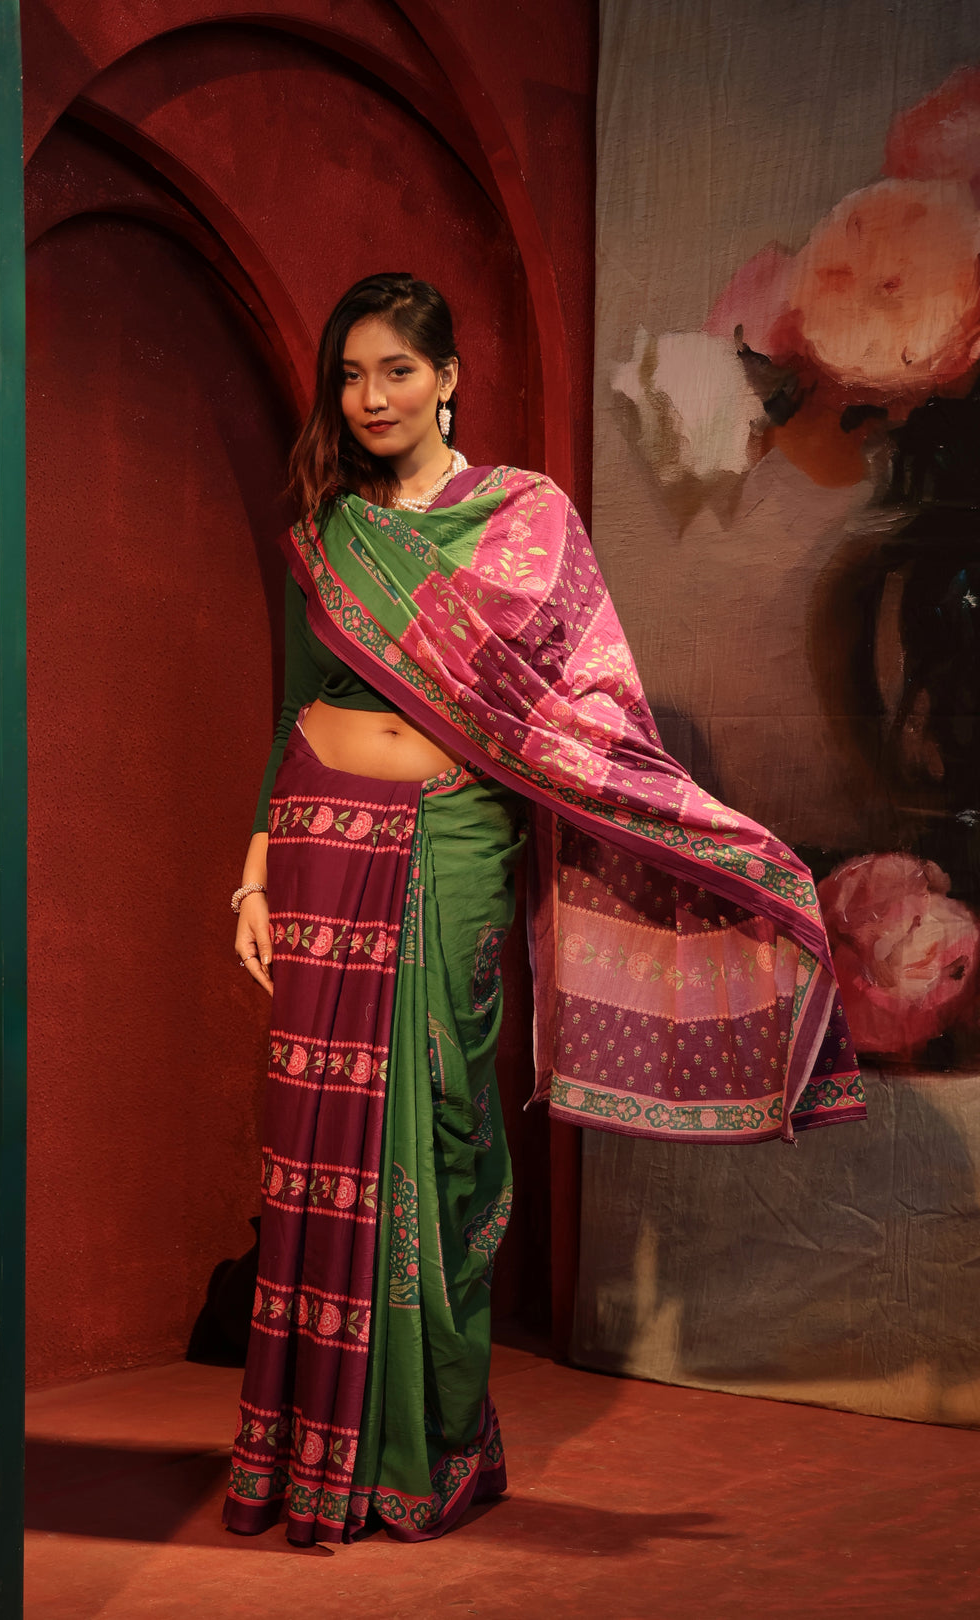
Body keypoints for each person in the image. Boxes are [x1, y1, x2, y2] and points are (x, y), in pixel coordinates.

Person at [222, 273, 864, 1547]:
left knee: (445, 1127)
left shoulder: (526, 519)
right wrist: (249, 874)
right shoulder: (328, 529)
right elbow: (292, 705)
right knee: (314, 1145)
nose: (371, 398)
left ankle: (425, 1452)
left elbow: (591, 706)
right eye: (351, 376)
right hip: (315, 843)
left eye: (397, 371)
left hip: (453, 843)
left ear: (448, 378)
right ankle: (311, 1459)